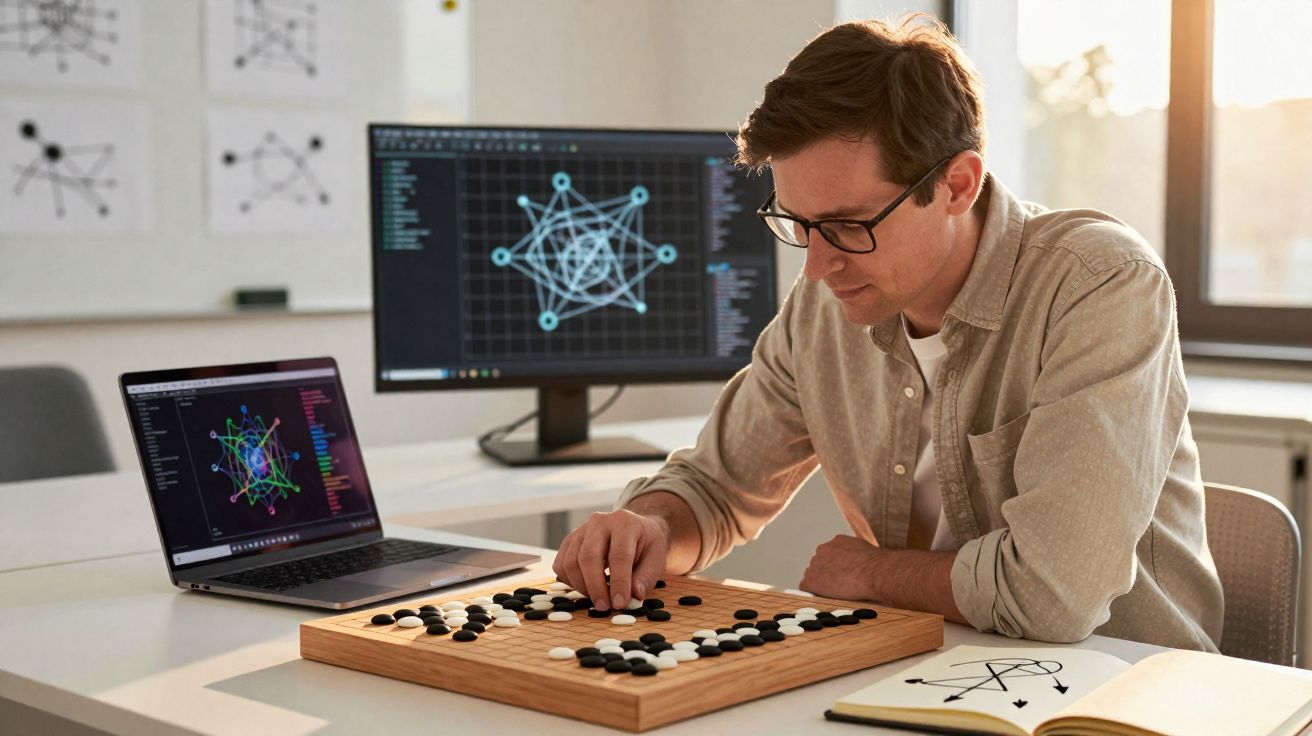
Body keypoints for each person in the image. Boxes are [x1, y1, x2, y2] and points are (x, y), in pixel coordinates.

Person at [551, 13, 1222, 651]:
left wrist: (872, 576)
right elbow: (716, 488)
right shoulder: (830, 302)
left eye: (848, 225)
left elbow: (1055, 595)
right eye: (798, 225)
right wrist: (651, 525)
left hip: (1122, 685)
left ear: (958, 184)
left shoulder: (1098, 283)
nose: (816, 266)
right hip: (928, 670)